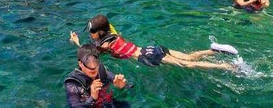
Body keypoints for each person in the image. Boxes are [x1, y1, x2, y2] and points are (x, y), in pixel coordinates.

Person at [69, 14, 236, 70]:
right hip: (151, 49)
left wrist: (77, 42)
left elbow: (90, 55)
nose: (91, 36)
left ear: (100, 32)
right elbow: (106, 24)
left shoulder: (105, 46)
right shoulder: (114, 34)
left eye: (92, 33)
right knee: (189, 57)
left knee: (187, 65)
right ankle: (213, 50)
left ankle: (225, 67)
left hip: (147, 57)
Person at [64, 45, 129, 108]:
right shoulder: (72, 83)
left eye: (95, 61)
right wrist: (92, 98)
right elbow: (74, 106)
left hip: (108, 102)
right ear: (80, 63)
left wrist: (122, 86)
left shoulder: (102, 70)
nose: (93, 67)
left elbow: (126, 85)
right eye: (88, 63)